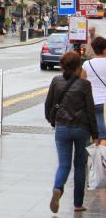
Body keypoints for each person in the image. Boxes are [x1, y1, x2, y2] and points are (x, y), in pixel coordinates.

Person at [45, 51, 99, 213]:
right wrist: (95, 134)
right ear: (77, 66)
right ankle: (77, 204)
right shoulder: (85, 84)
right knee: (80, 166)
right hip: (81, 129)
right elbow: (90, 110)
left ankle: (58, 188)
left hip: (61, 128)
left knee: (64, 164)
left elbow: (48, 106)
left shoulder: (56, 81)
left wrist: (53, 121)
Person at [82, 36, 106, 143]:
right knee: (102, 125)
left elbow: (81, 82)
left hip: (92, 101)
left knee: (93, 124)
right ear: (104, 50)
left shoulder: (87, 64)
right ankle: (102, 143)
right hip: (105, 102)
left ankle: (94, 145)